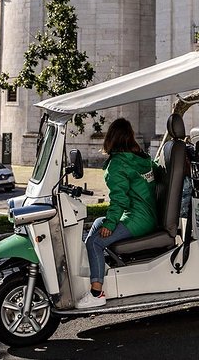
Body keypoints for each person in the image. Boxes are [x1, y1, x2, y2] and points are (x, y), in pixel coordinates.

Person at [76, 118, 157, 309]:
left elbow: (120, 200)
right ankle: (97, 268)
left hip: (138, 219)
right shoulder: (141, 158)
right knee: (97, 223)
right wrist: (106, 222)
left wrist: (111, 223)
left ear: (111, 137)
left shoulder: (118, 165)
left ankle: (96, 292)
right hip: (148, 214)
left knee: (95, 242)